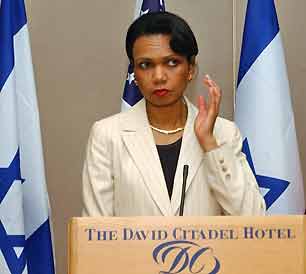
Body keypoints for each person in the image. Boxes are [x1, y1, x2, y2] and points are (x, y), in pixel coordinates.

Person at [82, 11, 265, 217]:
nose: (159, 77)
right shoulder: (107, 135)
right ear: (134, 74)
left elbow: (253, 219)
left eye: (171, 63)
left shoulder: (223, 133)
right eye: (145, 65)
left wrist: (210, 144)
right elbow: (94, 234)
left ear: (190, 69)